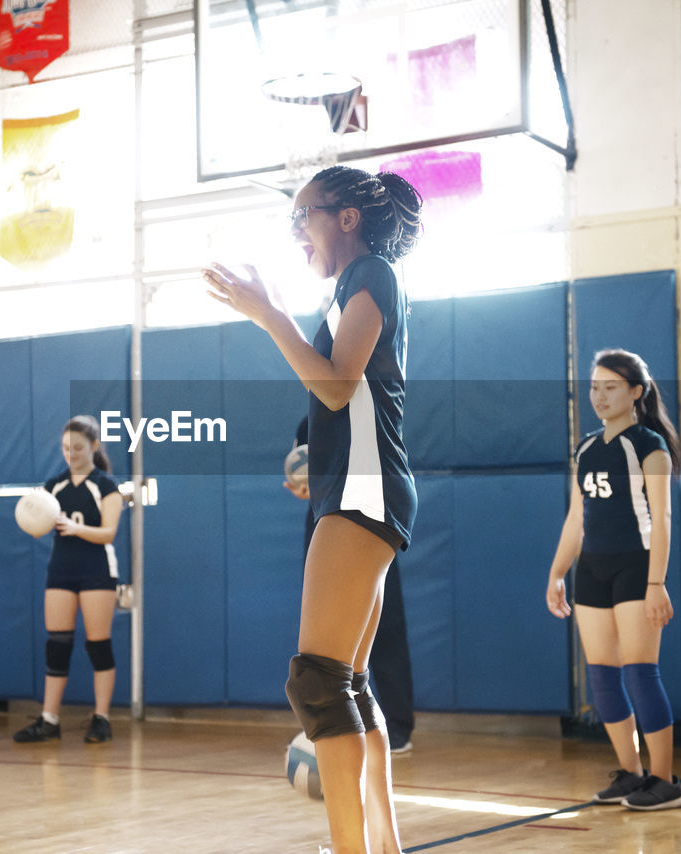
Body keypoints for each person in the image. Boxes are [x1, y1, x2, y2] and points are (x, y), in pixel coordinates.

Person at [204, 165, 423, 854]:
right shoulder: (349, 288)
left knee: (319, 682)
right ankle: (379, 848)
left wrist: (266, 312)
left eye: (304, 216)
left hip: (363, 487)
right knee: (348, 683)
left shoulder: (373, 276)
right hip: (356, 485)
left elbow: (334, 387)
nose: (296, 231)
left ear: (347, 217)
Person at [545, 349, 681, 811]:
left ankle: (666, 781)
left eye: (610, 387)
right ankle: (632, 772)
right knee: (602, 677)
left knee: (641, 674)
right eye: (594, 387)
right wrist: (557, 571)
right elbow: (575, 517)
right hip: (593, 569)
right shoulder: (585, 448)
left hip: (637, 566)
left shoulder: (649, 446)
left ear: (635, 393)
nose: (600, 396)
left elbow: (662, 518)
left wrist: (656, 583)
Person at [287, 416, 415, 754]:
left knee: (384, 632)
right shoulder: (308, 422)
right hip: (325, 519)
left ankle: (395, 730)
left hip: (368, 518)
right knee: (327, 641)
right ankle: (334, 730)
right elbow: (307, 471)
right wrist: (306, 486)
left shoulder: (367, 409)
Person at [14, 414, 125, 745]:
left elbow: (109, 532)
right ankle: (49, 719)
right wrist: (34, 515)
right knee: (57, 644)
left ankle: (101, 718)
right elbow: (39, 526)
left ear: (93, 446)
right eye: (66, 448)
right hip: (61, 569)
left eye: (77, 448)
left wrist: (77, 529)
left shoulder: (105, 485)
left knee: (97, 644)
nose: (71, 454)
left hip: (97, 571)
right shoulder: (54, 486)